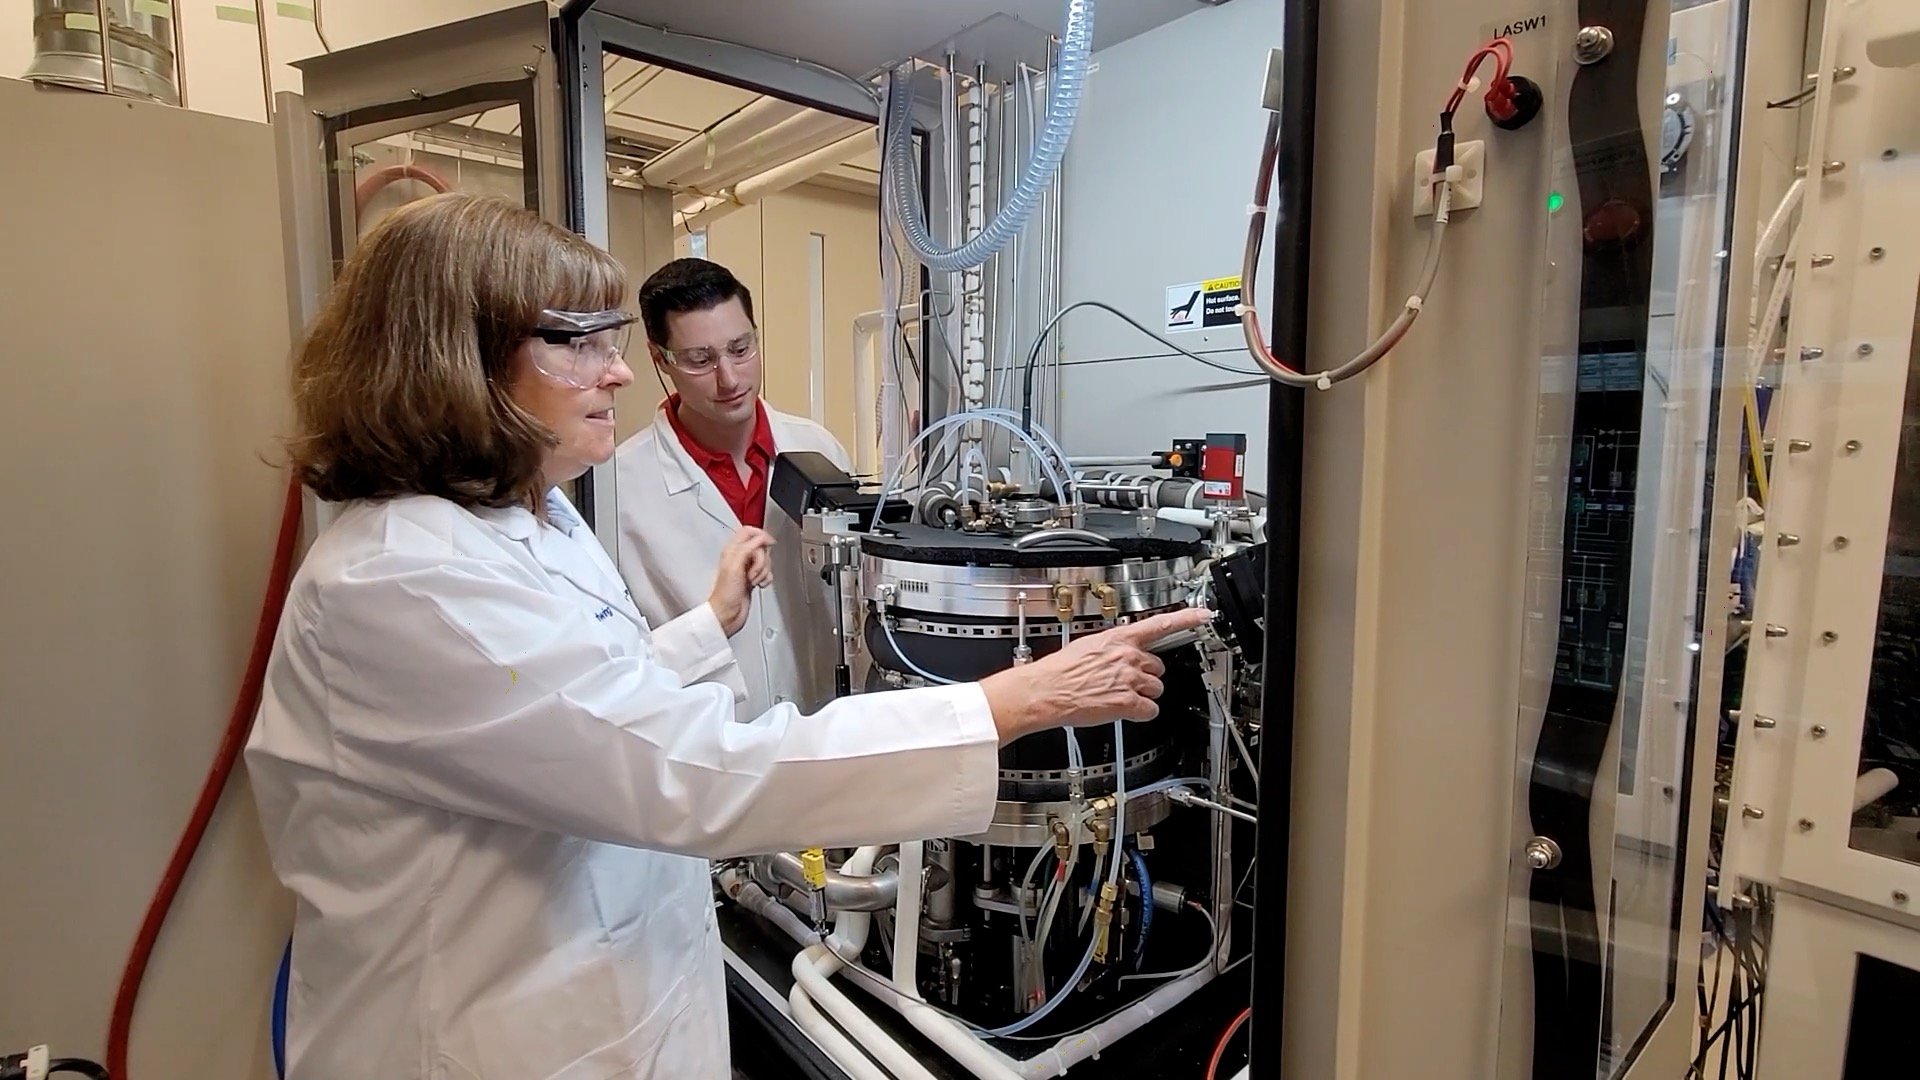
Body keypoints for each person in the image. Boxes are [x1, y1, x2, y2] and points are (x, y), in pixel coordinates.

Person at [242, 192, 1210, 1080]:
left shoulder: (531, 516)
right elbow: (679, 767)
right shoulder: (406, 580)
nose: (617, 368)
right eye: (579, 340)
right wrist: (1016, 698)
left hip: (620, 984)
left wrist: (708, 625)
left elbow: (580, 703)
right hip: (485, 1037)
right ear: (454, 359)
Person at [615, 257, 848, 718]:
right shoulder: (621, 488)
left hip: (820, 742)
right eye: (700, 360)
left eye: (741, 349)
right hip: (701, 757)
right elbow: (617, 662)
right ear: (660, 358)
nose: (730, 378)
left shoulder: (819, 450)